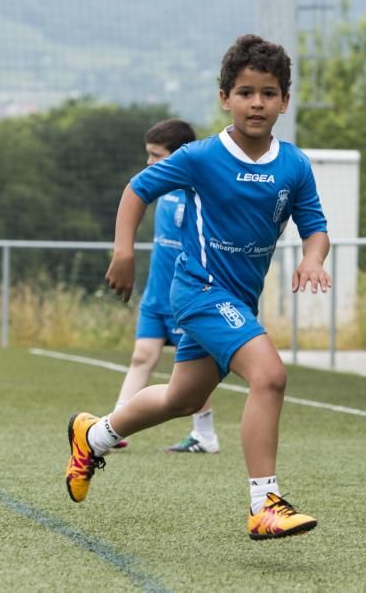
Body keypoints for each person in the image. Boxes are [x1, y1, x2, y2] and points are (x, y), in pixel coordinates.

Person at [66, 34, 331, 541]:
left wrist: (313, 259)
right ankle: (265, 504)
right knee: (270, 376)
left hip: (237, 300)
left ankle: (93, 434)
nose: (257, 102)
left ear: (285, 101)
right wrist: (123, 252)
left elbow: (315, 226)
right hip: (199, 290)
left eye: (269, 93)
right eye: (246, 92)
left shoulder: (293, 164)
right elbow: (136, 190)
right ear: (225, 98)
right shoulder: (200, 156)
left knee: (183, 400)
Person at [109, 118, 220, 454]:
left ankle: (205, 435)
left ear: (179, 155)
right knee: (142, 355)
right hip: (155, 294)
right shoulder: (158, 189)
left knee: (192, 368)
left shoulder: (198, 193)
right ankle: (112, 426)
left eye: (155, 155)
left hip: (183, 295)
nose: (149, 162)